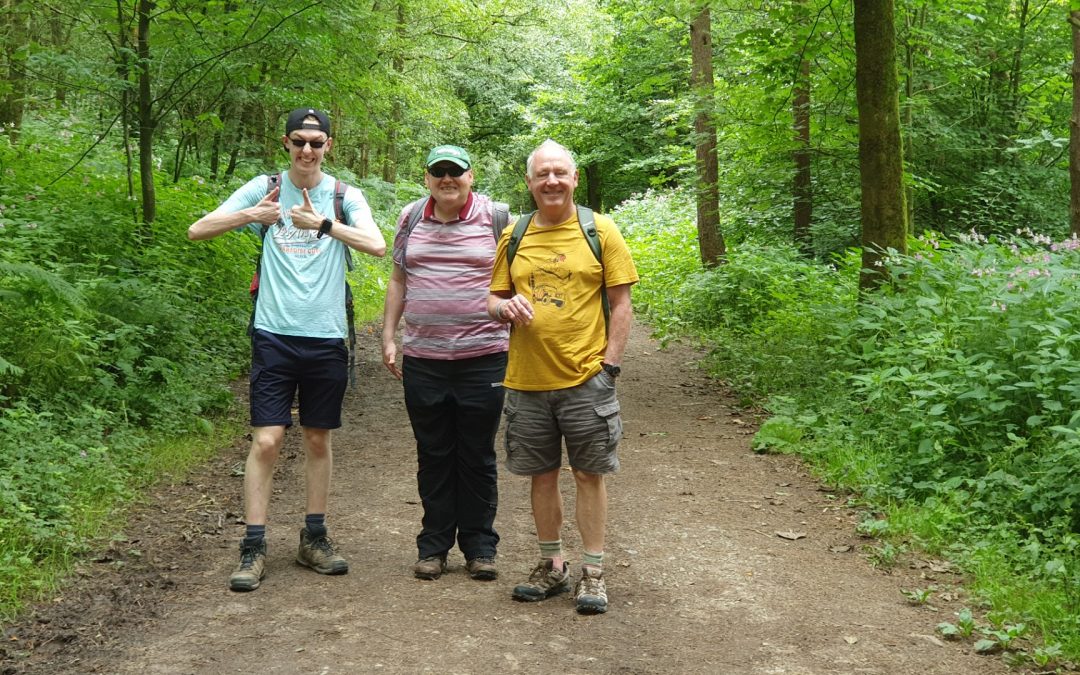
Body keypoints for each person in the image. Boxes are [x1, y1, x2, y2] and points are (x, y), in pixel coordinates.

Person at [188, 107, 386, 592]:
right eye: (299, 141)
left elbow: (377, 245)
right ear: (286, 142)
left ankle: (313, 537)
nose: (307, 150)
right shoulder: (264, 186)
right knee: (267, 441)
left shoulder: (344, 195)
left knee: (319, 439)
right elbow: (198, 228)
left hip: (326, 336)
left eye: (316, 143)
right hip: (273, 336)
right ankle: (253, 546)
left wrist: (324, 224)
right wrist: (251, 215)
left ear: (328, 147)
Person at [487, 139, 639, 615]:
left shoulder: (602, 230)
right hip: (527, 381)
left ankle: (593, 573)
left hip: (585, 380)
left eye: (559, 172)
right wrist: (502, 307)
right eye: (541, 174)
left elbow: (621, 303)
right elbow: (492, 299)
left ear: (574, 178)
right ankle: (553, 566)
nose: (551, 181)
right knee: (541, 475)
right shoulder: (513, 234)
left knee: (590, 474)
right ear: (529, 183)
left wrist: (609, 366)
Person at [382, 145, 508, 581]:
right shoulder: (411, 217)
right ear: (427, 177)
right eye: (439, 172)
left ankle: (479, 547)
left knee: (476, 453)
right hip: (424, 357)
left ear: (471, 176)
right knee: (433, 453)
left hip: (486, 357)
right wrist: (388, 336)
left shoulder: (498, 219)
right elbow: (399, 279)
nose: (447, 179)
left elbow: (517, 281)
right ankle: (433, 546)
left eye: (455, 171)